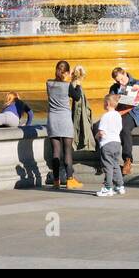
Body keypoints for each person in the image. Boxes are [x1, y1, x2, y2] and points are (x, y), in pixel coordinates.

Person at [108, 67, 139, 177]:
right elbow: (110, 102)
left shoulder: (137, 82)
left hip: (133, 114)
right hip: (119, 113)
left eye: (121, 79)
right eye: (117, 81)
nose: (120, 82)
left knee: (124, 127)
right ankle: (108, 159)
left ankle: (127, 160)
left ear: (125, 74)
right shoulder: (114, 87)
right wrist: (116, 97)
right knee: (101, 126)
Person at [46, 61, 82, 189]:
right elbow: (77, 97)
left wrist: (68, 76)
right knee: (67, 151)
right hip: (65, 119)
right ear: (66, 72)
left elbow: (59, 83)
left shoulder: (49, 83)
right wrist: (78, 84)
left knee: (56, 151)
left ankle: (56, 181)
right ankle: (70, 180)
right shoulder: (67, 86)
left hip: (52, 119)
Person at [95, 93, 126, 197]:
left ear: (107, 103)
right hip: (117, 142)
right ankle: (120, 186)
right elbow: (119, 128)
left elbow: (102, 132)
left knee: (108, 166)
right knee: (115, 164)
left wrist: (96, 136)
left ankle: (108, 188)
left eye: (104, 102)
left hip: (107, 143)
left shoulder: (105, 116)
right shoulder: (118, 115)